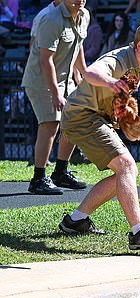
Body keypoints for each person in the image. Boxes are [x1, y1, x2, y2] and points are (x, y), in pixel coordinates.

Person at [58, 21, 140, 250]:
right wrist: (111, 82)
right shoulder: (118, 59)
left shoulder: (139, 61)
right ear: (139, 45)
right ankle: (138, 233)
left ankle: (75, 221)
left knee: (125, 174)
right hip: (82, 116)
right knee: (126, 166)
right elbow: (92, 72)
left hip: (94, 117)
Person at [20, 0, 90, 196]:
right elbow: (46, 60)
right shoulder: (50, 18)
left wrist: (81, 72)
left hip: (66, 79)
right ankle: (38, 179)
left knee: (74, 121)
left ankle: (61, 172)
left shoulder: (84, 15)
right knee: (50, 124)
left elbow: (78, 44)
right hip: (42, 81)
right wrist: (56, 93)